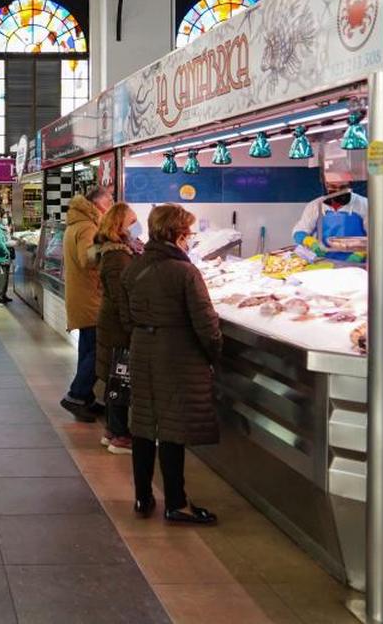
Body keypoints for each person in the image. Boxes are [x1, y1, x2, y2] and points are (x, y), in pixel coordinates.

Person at [118, 204, 221, 525]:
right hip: (176, 355)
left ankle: (142, 497)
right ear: (177, 234)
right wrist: (215, 355)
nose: (190, 239)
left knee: (145, 425)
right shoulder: (185, 272)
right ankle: (176, 503)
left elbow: (125, 318)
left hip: (142, 351)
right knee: (173, 428)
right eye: (188, 233)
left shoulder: (133, 267)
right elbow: (206, 324)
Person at [94, 202, 143, 454]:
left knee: (116, 378)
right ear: (120, 225)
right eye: (133, 221)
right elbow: (121, 297)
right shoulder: (117, 257)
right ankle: (119, 435)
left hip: (112, 323)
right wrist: (131, 327)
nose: (137, 226)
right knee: (120, 381)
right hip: (117, 327)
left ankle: (113, 430)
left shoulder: (116, 253)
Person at [60, 187, 113, 422]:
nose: (111, 204)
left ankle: (86, 396)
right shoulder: (88, 227)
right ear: (98, 204)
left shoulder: (76, 223)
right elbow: (87, 259)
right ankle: (76, 395)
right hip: (91, 297)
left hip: (81, 296)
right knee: (97, 351)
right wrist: (111, 246)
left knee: (88, 349)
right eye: (109, 200)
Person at [291, 174, 368, 261]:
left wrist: (361, 254)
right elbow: (299, 231)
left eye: (342, 187)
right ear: (326, 186)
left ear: (350, 185)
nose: (338, 191)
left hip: (356, 263)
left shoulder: (364, 204)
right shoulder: (315, 205)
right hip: (323, 261)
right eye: (333, 187)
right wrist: (310, 242)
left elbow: (376, 236)